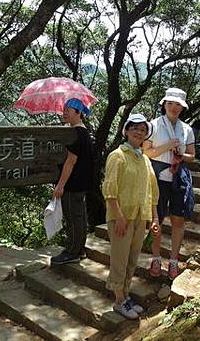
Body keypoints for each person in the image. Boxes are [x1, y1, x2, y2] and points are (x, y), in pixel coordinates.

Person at [103, 114, 159, 319]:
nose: (139, 132)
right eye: (135, 128)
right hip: (121, 217)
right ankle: (118, 300)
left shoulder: (144, 159)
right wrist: (118, 216)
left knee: (132, 259)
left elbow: (152, 190)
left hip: (140, 216)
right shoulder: (117, 155)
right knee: (119, 259)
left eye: (143, 130)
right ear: (126, 131)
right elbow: (109, 189)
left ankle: (125, 296)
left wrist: (154, 218)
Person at [143, 88, 195, 280]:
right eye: (170, 103)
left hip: (178, 176)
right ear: (164, 104)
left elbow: (192, 156)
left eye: (177, 104)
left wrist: (182, 154)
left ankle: (173, 261)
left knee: (178, 219)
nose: (174, 107)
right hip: (157, 176)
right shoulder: (153, 126)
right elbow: (146, 152)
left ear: (182, 107)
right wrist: (168, 146)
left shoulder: (186, 129)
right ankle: (156, 258)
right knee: (157, 219)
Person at [50, 98, 94, 265]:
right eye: (64, 110)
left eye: (68, 110)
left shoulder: (75, 134)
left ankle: (72, 251)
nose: (64, 113)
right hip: (82, 183)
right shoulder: (84, 132)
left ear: (78, 112)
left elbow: (70, 162)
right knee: (80, 216)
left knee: (73, 217)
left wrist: (60, 186)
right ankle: (79, 249)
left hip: (73, 184)